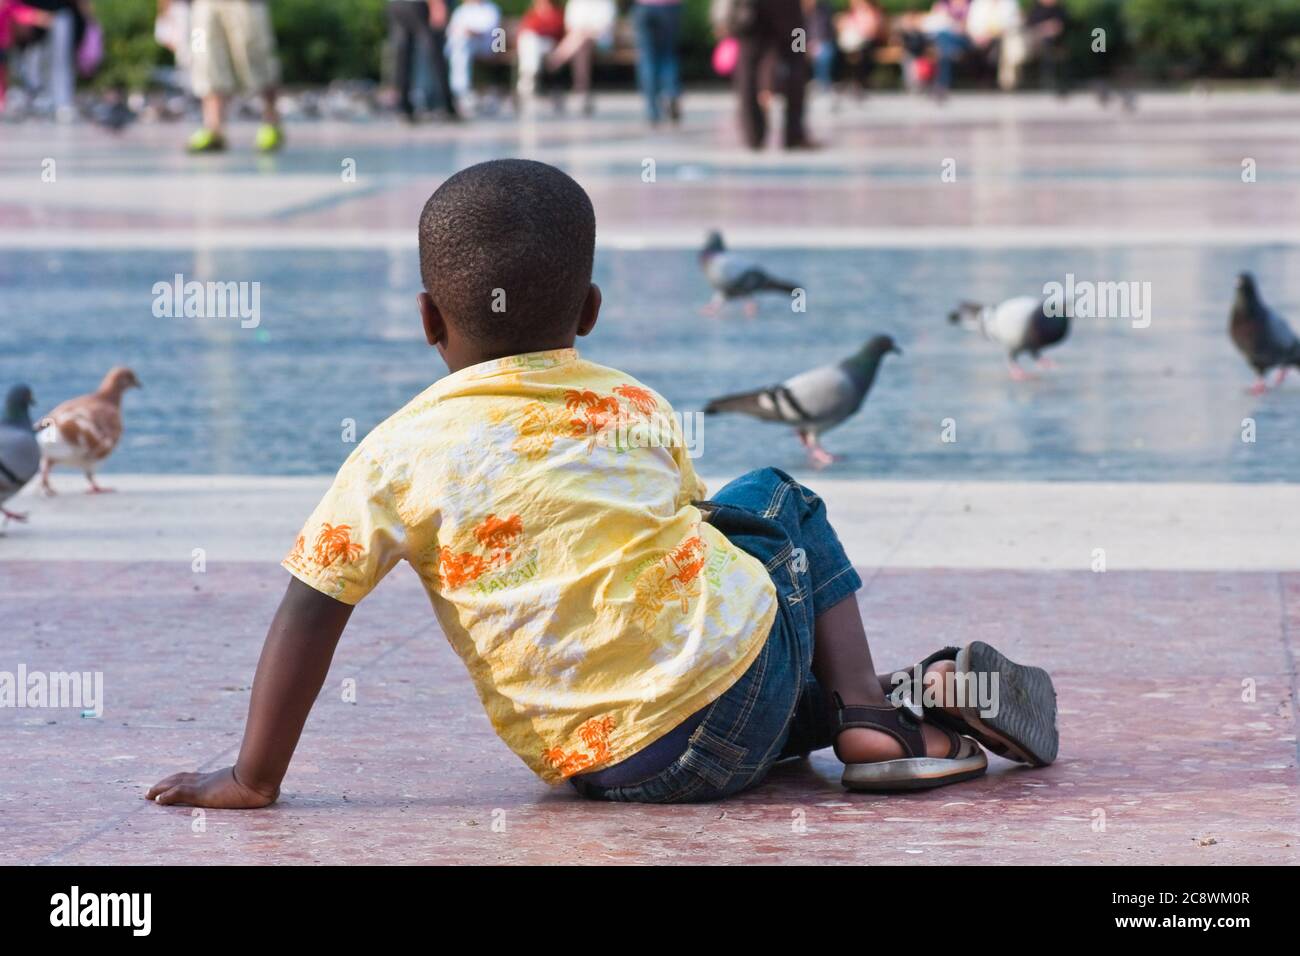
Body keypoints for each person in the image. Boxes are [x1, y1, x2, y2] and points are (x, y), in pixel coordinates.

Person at [145, 159, 1060, 809]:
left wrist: (253, 777)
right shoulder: (631, 403)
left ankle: (873, 705)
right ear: (588, 311)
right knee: (778, 501)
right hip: (731, 713)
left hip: (610, 768)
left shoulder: (391, 455)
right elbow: (703, 537)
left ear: (428, 318)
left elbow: (310, 610)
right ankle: (873, 715)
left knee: (704, 670)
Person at [185, 0, 283, 153]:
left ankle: (271, 121)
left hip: (246, 4)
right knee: (204, 57)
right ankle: (213, 127)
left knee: (256, 57)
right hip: (202, 4)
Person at [719, 0, 815, 150]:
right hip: (788, 10)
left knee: (747, 63)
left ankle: (753, 134)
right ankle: (794, 133)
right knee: (798, 57)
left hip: (751, 8)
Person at [388, 0, 457, 122]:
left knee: (403, 55)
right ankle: (447, 107)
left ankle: (404, 107)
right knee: (436, 54)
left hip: (397, 4)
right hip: (419, 5)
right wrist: (436, 3)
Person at [546, 0, 614, 115]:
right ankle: (582, 90)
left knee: (581, 40)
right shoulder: (576, 3)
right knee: (581, 45)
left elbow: (606, 26)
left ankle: (554, 61)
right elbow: (569, 26)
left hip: (600, 41)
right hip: (578, 41)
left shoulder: (605, 3)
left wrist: (587, 31)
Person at [631, 0, 681, 125]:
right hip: (670, 6)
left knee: (647, 57)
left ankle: (652, 110)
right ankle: (671, 92)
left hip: (644, 6)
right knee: (668, 54)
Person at [445, 0, 500, 111]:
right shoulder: (461, 10)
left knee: (462, 46)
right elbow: (451, 29)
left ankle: (460, 91)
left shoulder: (490, 8)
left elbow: (490, 31)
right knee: (460, 46)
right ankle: (455, 91)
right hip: (460, 45)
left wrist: (470, 32)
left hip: (485, 46)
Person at [0, 0, 49, 111]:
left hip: (2, 44)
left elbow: (24, 13)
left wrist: (41, 18)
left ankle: (2, 98)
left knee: (2, 72)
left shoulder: (8, 4)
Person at [516, 0, 564, 102]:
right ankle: (530, 75)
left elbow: (556, 32)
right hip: (531, 45)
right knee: (530, 41)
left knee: (531, 42)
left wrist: (538, 30)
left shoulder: (556, 14)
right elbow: (524, 30)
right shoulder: (532, 14)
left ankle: (527, 78)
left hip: (550, 45)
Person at [1024, 0, 1067, 93]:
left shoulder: (1059, 9)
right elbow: (1029, 25)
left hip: (1055, 41)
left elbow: (1061, 26)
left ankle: (1048, 80)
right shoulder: (1035, 8)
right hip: (1034, 40)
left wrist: (1052, 29)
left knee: (1048, 44)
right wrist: (1043, 28)